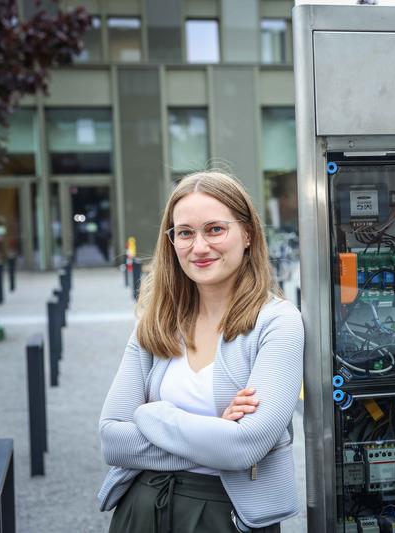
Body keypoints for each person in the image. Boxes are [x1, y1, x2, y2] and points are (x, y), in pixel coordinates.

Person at [98, 171, 304, 533]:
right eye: (185, 233)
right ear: (172, 241)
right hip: (140, 509)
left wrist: (153, 415)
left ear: (248, 233)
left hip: (227, 515)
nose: (199, 247)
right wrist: (215, 431)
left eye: (215, 229)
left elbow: (244, 447)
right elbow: (113, 440)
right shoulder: (157, 320)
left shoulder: (278, 323)